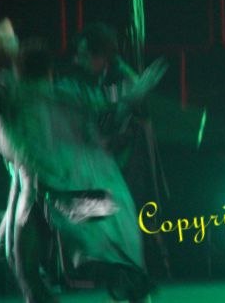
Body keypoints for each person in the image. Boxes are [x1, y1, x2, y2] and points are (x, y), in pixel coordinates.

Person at [0, 23, 166, 303]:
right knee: (102, 234)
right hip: (61, 189)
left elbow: (111, 105)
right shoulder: (61, 93)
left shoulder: (17, 94)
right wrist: (136, 88)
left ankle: (119, 277)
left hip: (49, 188)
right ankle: (125, 277)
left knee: (30, 254)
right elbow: (112, 101)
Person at [73, 23, 170, 277]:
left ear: (100, 55)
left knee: (133, 215)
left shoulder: (119, 78)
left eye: (84, 55)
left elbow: (123, 122)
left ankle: (146, 272)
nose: (79, 61)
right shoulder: (110, 77)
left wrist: (105, 141)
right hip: (121, 158)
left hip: (130, 160)